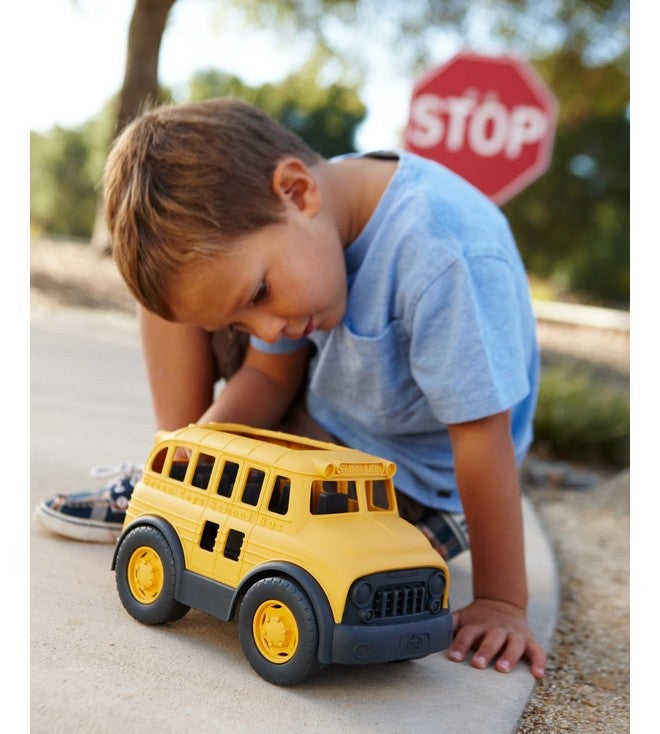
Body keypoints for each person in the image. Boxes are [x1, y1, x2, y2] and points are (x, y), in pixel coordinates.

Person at [36, 97, 546, 680]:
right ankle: (171, 484)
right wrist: (196, 462)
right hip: (325, 426)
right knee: (175, 286)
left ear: (298, 191)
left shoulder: (444, 254)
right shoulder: (296, 241)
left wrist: (504, 601)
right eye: (242, 322)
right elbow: (269, 375)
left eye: (256, 297)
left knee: (354, 571)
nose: (264, 330)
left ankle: (428, 530)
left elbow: (483, 438)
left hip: (413, 478)